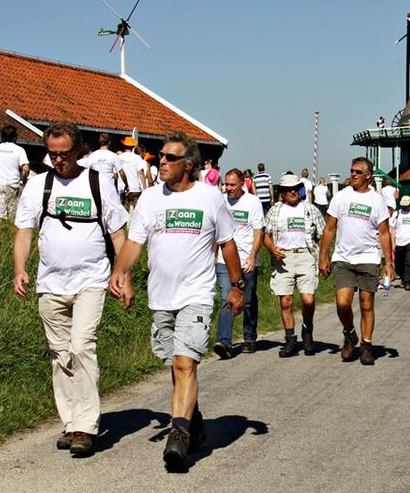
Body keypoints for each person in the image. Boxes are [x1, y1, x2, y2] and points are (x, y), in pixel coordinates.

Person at [109, 132, 244, 472]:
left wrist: (236, 285)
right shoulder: (150, 199)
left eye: (170, 157)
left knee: (185, 363)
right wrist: (121, 272)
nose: (161, 162)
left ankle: (179, 435)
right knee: (175, 363)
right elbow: (135, 242)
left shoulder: (210, 198)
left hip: (197, 294)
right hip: (160, 297)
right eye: (160, 157)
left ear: (189, 164)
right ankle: (193, 419)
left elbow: (227, 243)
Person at [14, 122, 129, 458]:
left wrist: (123, 274)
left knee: (81, 346)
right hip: (50, 283)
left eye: (65, 154)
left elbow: (118, 233)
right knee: (60, 354)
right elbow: (24, 232)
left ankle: (86, 426)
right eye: (53, 155)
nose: (59, 160)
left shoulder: (98, 182)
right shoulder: (38, 185)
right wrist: (19, 269)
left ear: (80, 151)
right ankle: (70, 421)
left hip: (91, 279)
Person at [318, 157, 392, 366]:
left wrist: (389, 263)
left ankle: (366, 346)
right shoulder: (341, 197)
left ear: (368, 175)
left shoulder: (377, 201)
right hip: (343, 257)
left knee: (366, 304)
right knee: (342, 303)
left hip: (368, 257)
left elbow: (384, 233)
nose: (353, 175)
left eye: (358, 172)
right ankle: (350, 334)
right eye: (351, 171)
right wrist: (323, 256)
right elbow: (329, 228)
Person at [263, 173, 325, 357]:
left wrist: (323, 257)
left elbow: (323, 234)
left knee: (308, 299)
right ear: (282, 193)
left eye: (295, 188)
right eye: (288, 189)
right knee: (286, 301)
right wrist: (272, 249)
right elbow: (266, 235)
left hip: (305, 255)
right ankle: (290, 339)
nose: (293, 192)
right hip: (284, 259)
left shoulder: (310, 209)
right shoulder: (275, 210)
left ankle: (308, 330)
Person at [213, 169, 264, 359]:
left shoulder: (253, 202)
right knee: (227, 298)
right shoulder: (220, 201)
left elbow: (258, 231)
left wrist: (253, 256)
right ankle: (224, 342)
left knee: (248, 300)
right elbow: (216, 231)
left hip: (246, 260)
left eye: (233, 185)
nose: (228, 188)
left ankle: (249, 337)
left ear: (242, 184)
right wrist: (213, 254)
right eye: (226, 184)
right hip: (223, 260)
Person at [0, 125, 30, 223]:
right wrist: (24, 181)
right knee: (13, 213)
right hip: (13, 184)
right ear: (15, 136)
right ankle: (10, 234)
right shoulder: (19, 149)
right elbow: (26, 169)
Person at [390, 195, 410, 290]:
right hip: (399, 241)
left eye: (406, 205)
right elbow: (392, 228)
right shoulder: (397, 214)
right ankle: (402, 277)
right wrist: (393, 243)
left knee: (409, 261)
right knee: (399, 263)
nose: (404, 207)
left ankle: (408, 282)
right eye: (403, 205)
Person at [117, 136, 148, 211]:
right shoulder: (137, 158)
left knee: (124, 214)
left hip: (123, 189)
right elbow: (141, 172)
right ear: (133, 147)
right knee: (136, 213)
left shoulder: (119, 157)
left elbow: (116, 174)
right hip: (136, 189)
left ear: (124, 146)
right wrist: (144, 188)